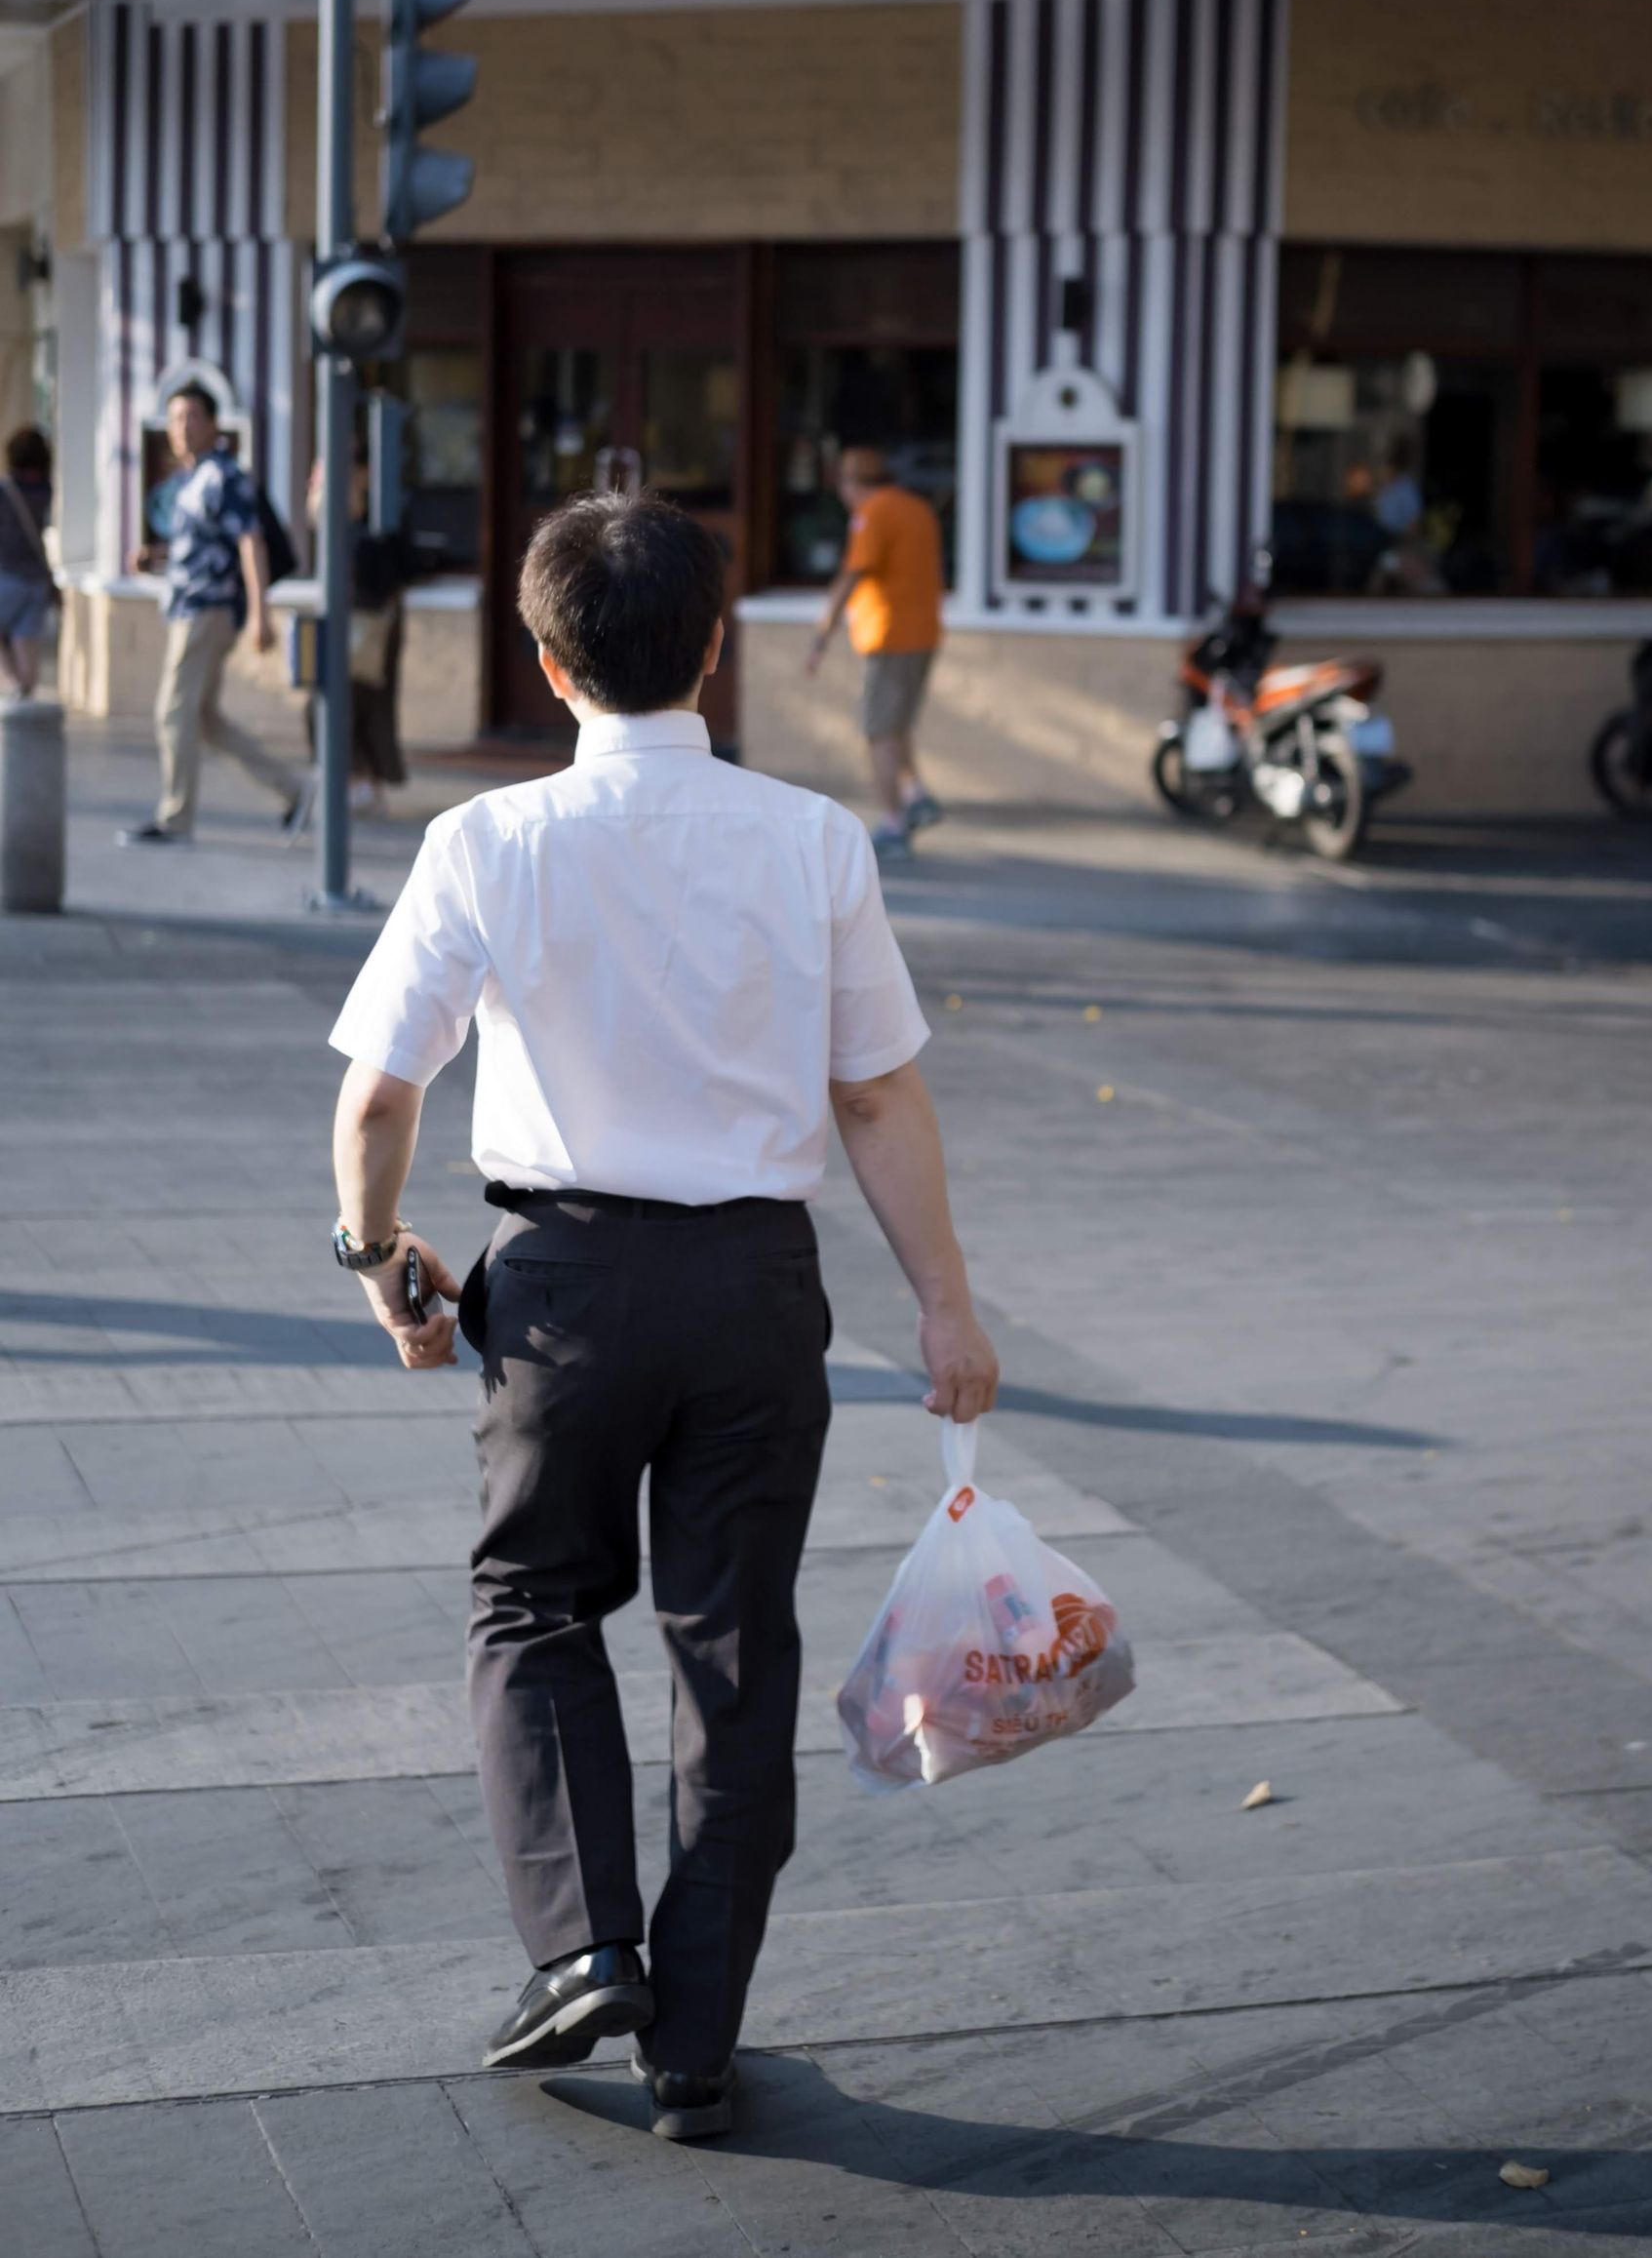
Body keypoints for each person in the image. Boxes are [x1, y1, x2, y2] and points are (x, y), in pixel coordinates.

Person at [327, 491, 999, 2143]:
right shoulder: (815, 838)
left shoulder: (486, 841)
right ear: (712, 651)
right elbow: (877, 1098)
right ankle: (694, 2035)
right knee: (734, 1645)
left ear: (550, 665)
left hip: (559, 1286)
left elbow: (380, 1096)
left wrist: (378, 1256)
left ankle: (581, 1948)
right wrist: (946, 1309)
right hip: (756, 1290)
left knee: (531, 1604)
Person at [121, 382, 304, 846]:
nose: (181, 428)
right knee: (204, 720)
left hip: (208, 611)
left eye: (191, 417)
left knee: (172, 712)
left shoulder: (225, 475)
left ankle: (174, 819)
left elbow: (250, 542)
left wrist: (261, 613)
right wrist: (155, 558)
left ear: (213, 423)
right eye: (174, 419)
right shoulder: (191, 478)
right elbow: (202, 546)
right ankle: (295, 790)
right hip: (188, 608)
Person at [805, 447, 945, 859]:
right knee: (896, 723)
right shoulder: (917, 508)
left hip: (889, 634)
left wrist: (822, 635)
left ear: (852, 484)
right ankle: (915, 794)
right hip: (923, 632)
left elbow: (853, 574)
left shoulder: (873, 513)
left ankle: (895, 823)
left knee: (878, 729)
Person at [306, 455, 416, 816]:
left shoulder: (380, 513)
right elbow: (315, 520)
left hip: (369, 623)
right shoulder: (343, 515)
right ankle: (358, 783)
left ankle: (362, 783)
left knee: (359, 705)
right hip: (352, 619)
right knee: (333, 704)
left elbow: (391, 566)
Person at [0, 425, 57, 700]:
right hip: (37, 580)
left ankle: (13, 685)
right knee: (26, 638)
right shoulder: (45, 489)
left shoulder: (6, 489)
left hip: (7, 575)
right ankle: (25, 693)